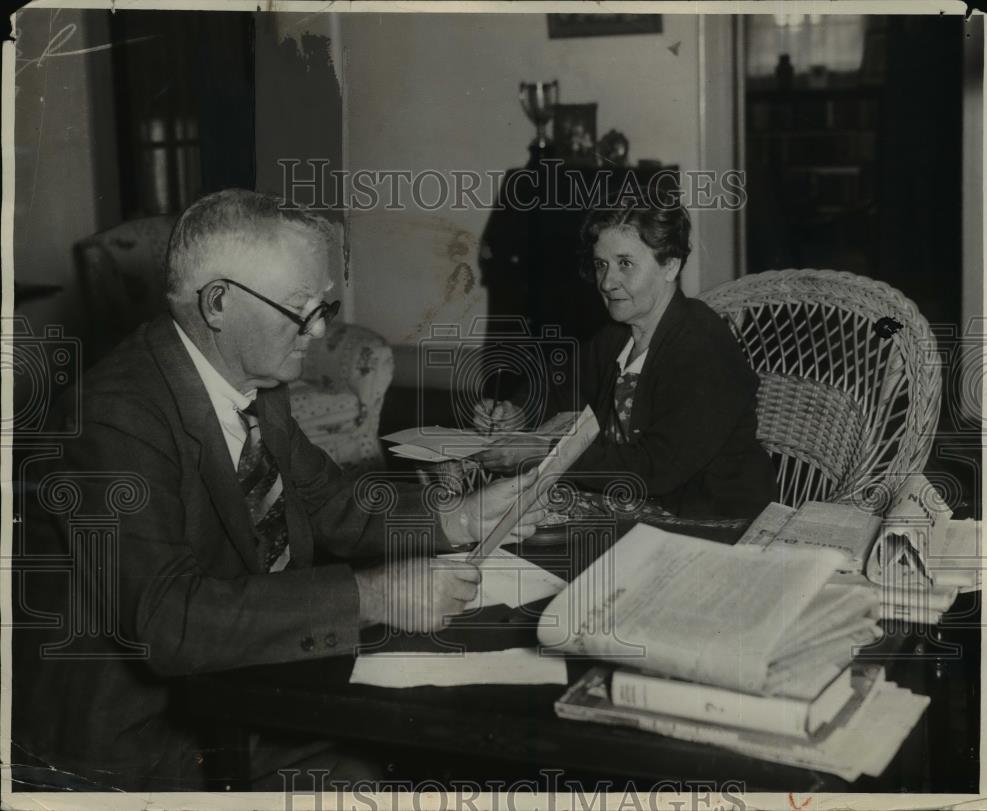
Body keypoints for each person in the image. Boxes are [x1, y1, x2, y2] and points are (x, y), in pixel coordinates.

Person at [12, 189, 543, 792]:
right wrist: (371, 594)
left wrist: (460, 519)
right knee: (391, 769)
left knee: (437, 748)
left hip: (234, 694)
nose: (318, 330)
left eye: (325, 306)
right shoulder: (112, 419)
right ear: (218, 303)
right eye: (300, 309)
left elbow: (337, 506)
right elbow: (167, 621)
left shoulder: (259, 387)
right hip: (134, 746)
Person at [474, 200, 778, 519]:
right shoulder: (617, 335)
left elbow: (653, 469)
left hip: (717, 519)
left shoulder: (702, 345)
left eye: (625, 264)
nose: (606, 282)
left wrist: (547, 452)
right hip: (645, 509)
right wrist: (517, 412)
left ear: (670, 266)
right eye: (601, 264)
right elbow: (561, 386)